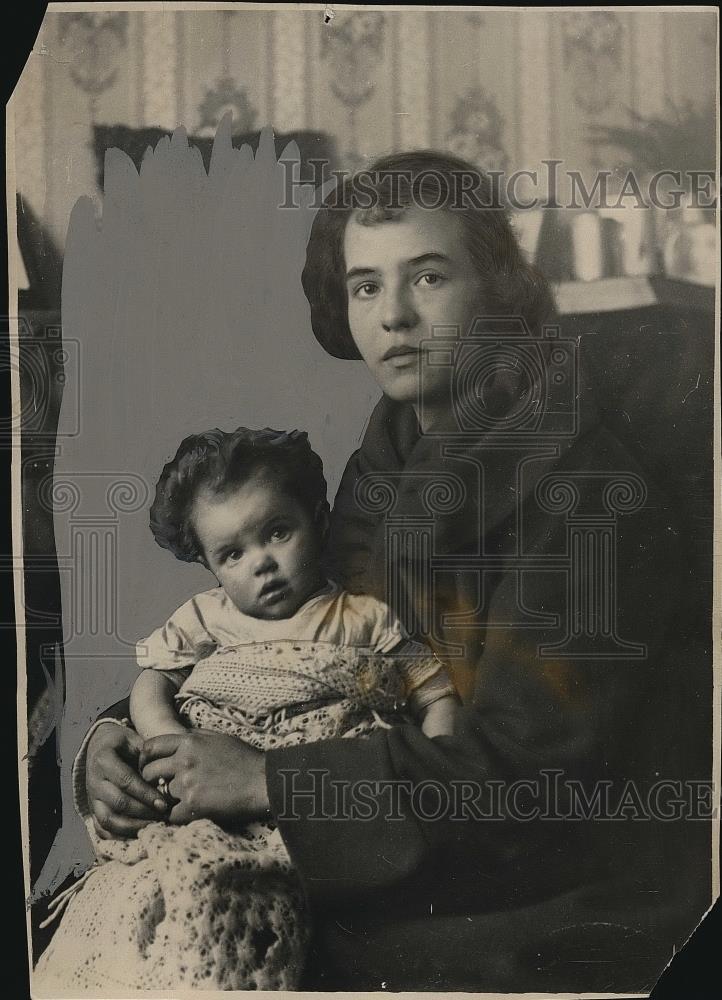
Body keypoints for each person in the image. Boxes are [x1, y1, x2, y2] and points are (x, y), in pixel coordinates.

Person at [74, 152, 708, 992]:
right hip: (399, 853)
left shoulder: (588, 494)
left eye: (430, 277)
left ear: (496, 289)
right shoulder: (388, 460)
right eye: (366, 286)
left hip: (552, 896)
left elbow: (531, 782)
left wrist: (266, 781)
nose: (395, 316)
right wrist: (121, 741)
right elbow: (304, 641)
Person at [35, 426, 457, 993]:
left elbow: (433, 690)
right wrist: (164, 738)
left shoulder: (361, 618)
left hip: (303, 781)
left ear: (319, 521)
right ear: (209, 565)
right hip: (209, 778)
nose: (262, 563)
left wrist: (437, 753)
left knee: (251, 889)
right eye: (232, 553)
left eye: (278, 532)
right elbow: (154, 680)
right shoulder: (207, 619)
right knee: (146, 889)